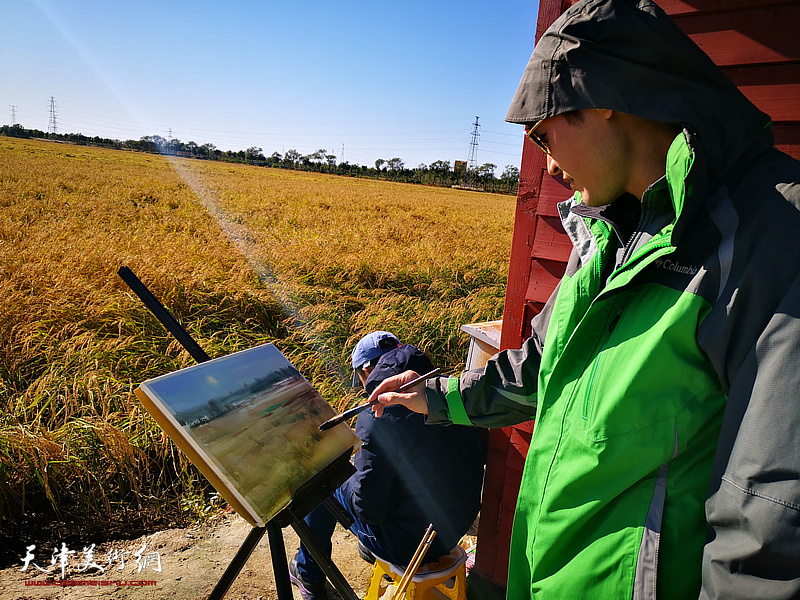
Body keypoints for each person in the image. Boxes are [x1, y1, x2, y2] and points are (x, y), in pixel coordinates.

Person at [369, 1, 800, 599]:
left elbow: (772, 510)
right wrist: (438, 396)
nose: (546, 164)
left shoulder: (769, 235)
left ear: (604, 98)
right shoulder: (603, 234)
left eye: (545, 135)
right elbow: (543, 367)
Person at [289, 331, 487, 600]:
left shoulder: (378, 416)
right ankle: (362, 550)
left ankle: (309, 577)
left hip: (407, 546)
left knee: (326, 484)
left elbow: (368, 509)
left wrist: (351, 473)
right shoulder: (453, 394)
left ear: (368, 371)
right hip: (452, 532)